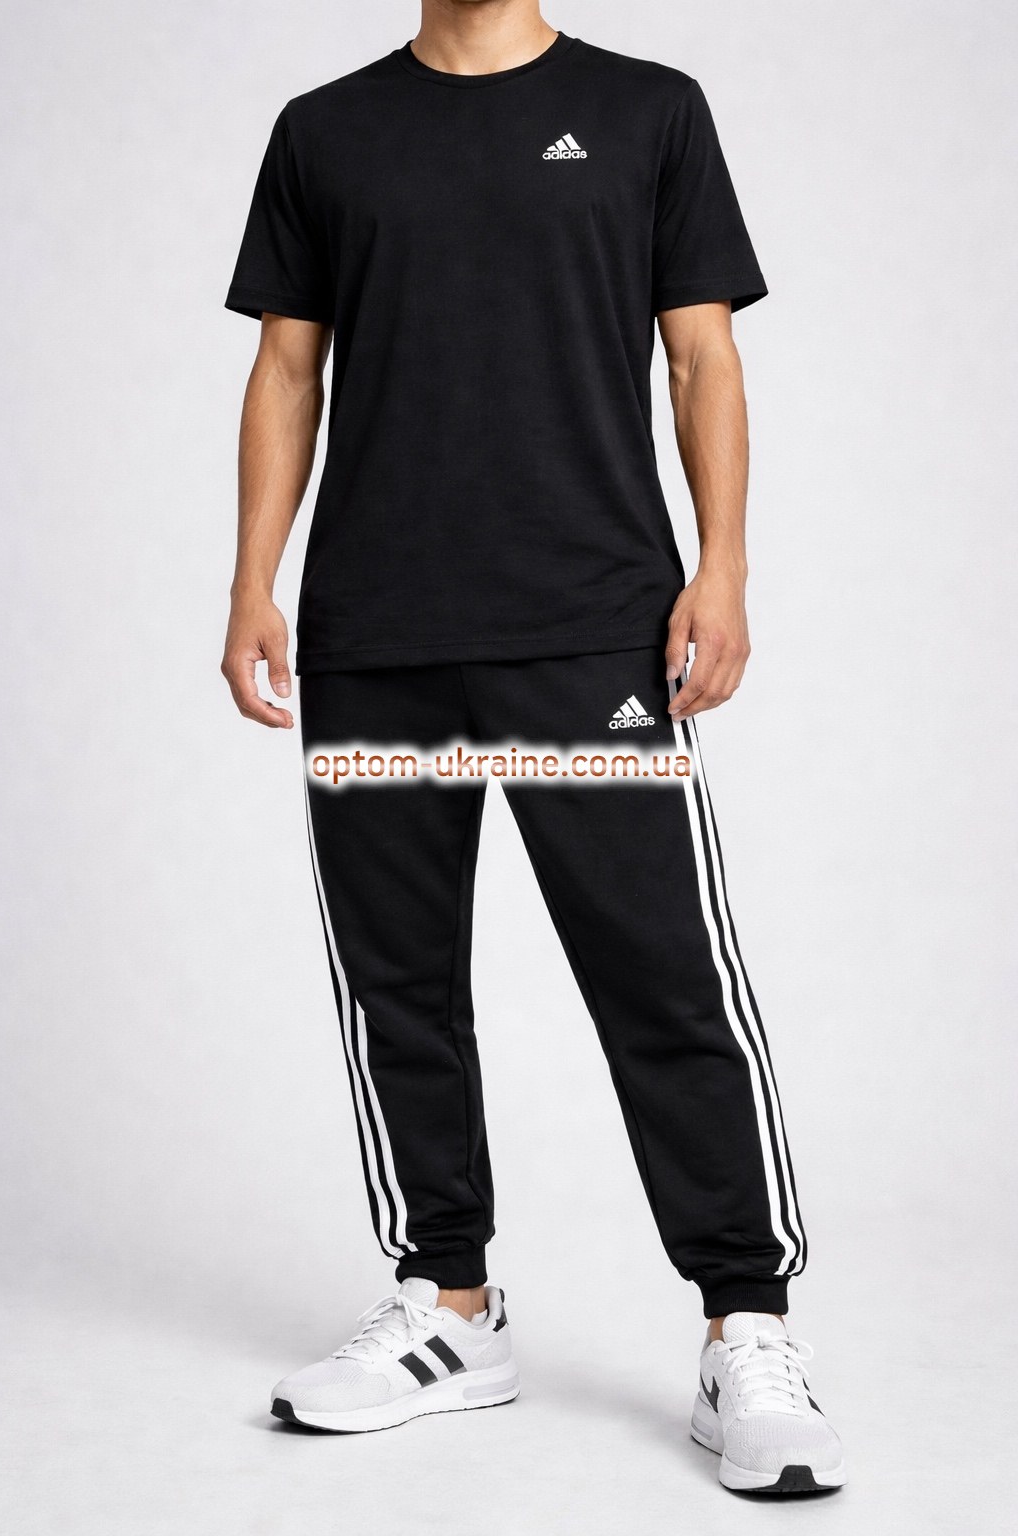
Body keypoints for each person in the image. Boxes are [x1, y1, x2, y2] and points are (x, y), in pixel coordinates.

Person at [221, 0, 846, 1495]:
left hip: (588, 633)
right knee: (398, 983)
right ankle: (449, 1305)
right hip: (378, 639)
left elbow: (702, 357)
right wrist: (253, 581)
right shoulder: (325, 131)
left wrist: (724, 570)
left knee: (661, 974)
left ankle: (746, 1329)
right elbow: (290, 368)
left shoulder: (649, 111)